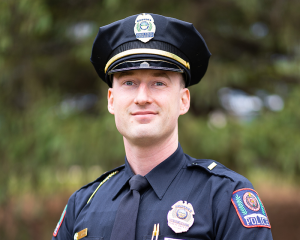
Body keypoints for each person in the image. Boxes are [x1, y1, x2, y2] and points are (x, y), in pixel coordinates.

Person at [52, 13, 273, 240]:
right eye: (129, 83)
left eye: (159, 83)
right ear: (111, 100)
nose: (142, 97)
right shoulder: (83, 204)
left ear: (184, 100)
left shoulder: (223, 197)